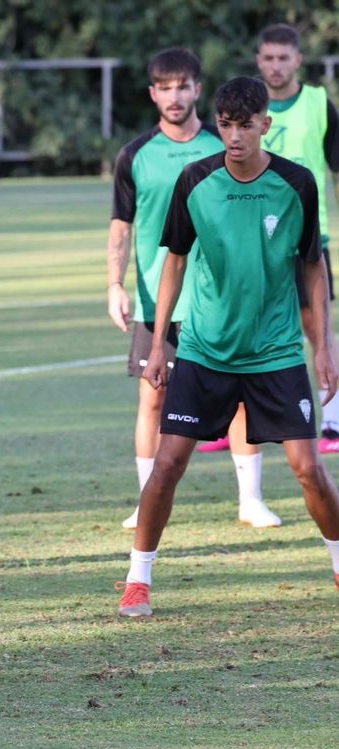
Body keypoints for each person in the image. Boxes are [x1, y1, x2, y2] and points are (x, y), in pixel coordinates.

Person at [117, 77, 339, 618]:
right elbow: (174, 261)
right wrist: (159, 345)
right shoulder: (196, 181)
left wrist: (324, 345)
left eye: (246, 125)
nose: (234, 136)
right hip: (204, 349)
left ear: (266, 124)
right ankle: (137, 580)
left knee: (309, 469)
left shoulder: (297, 184)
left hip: (278, 351)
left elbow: (312, 264)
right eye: (226, 125)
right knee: (168, 465)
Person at [107, 49, 279, 531]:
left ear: (198, 90)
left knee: (242, 398)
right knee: (152, 399)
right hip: (155, 298)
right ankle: (146, 501)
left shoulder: (223, 143)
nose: (175, 96)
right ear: (152, 94)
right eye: (165, 87)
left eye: (183, 86)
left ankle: (251, 500)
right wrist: (112, 285)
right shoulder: (134, 155)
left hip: (220, 298)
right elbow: (121, 226)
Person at [255, 23, 339, 452]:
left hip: (307, 235)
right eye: (268, 58)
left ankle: (335, 423)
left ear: (298, 60)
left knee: (317, 328)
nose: (275, 66)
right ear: (258, 61)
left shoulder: (319, 104)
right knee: (245, 326)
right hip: (252, 237)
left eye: (283, 57)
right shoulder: (247, 104)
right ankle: (239, 428)